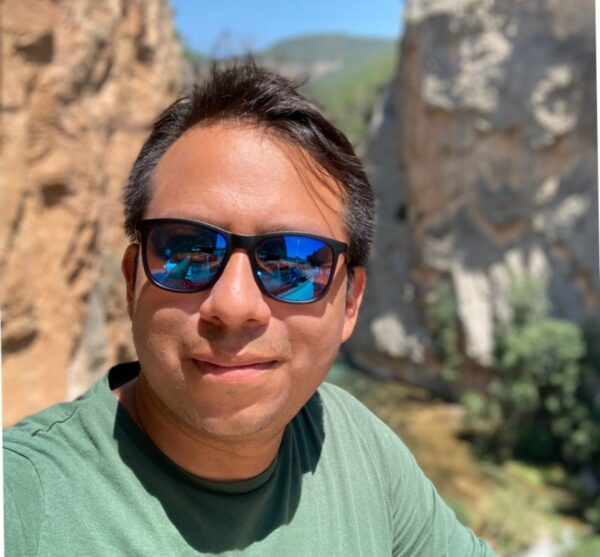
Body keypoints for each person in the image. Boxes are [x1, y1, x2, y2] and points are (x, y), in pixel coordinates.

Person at [3, 64, 498, 556]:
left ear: (350, 302)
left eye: (293, 263)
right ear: (132, 279)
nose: (234, 305)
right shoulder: (25, 501)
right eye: (188, 251)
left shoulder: (357, 445)